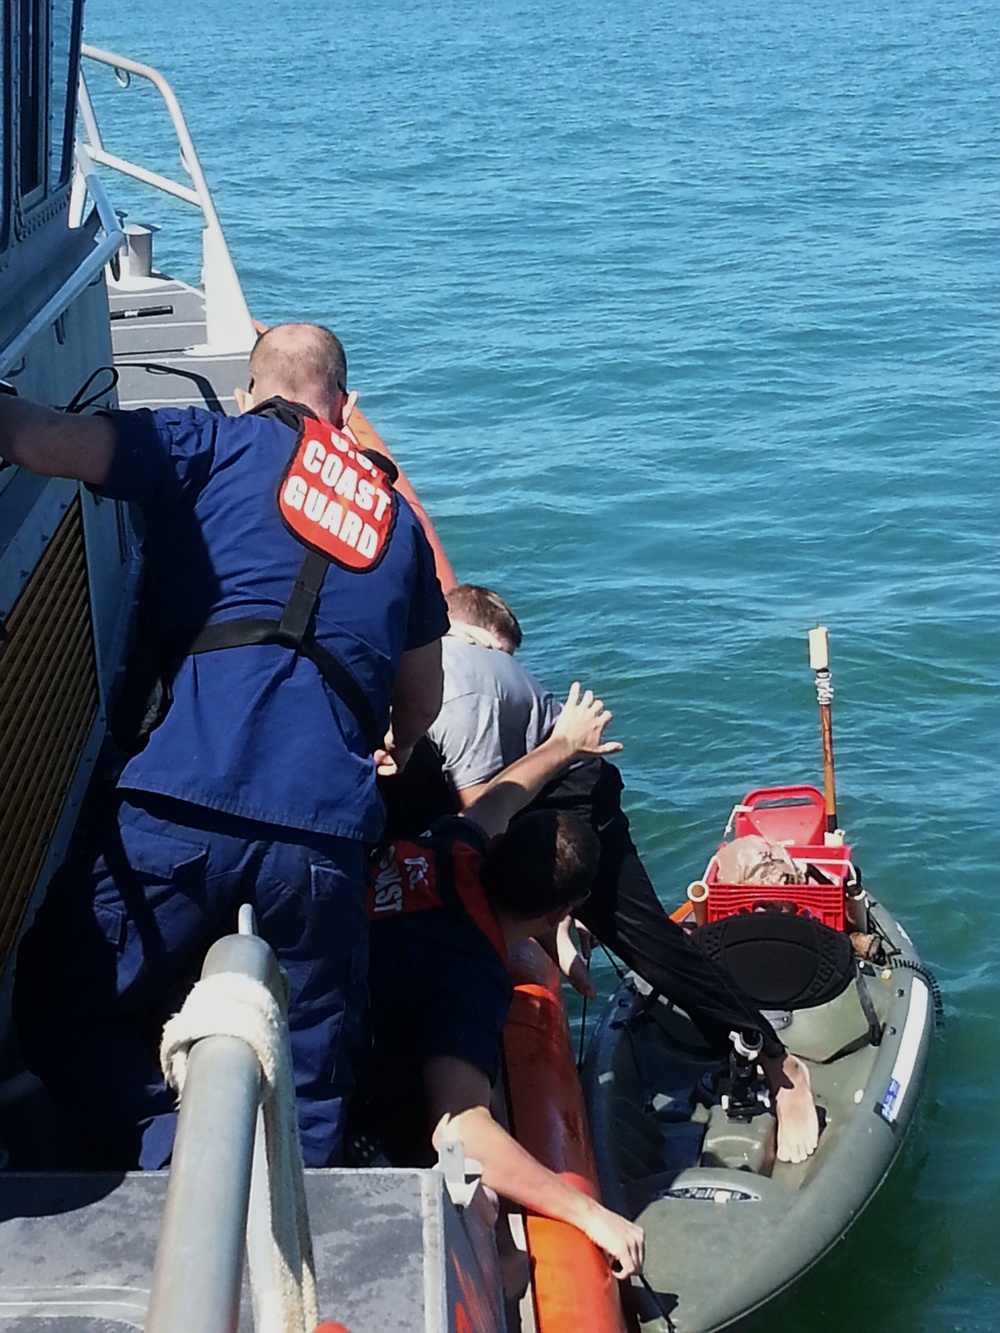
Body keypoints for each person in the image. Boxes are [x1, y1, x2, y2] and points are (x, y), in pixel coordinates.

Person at [1, 323, 449, 1169]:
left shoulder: (209, 439)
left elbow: (35, 439)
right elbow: (420, 706)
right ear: (344, 410)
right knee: (309, 1079)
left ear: (250, 392)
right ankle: (280, 1239)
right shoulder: (397, 523)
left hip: (176, 800)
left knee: (62, 1001)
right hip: (322, 834)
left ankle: (172, 1156)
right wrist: (380, 739)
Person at [383, 584, 820, 1165]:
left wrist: (550, 918)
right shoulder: (395, 682)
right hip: (500, 785)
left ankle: (779, 1066)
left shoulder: (462, 697)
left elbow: (481, 828)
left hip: (561, 791)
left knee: (648, 945)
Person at [359, 682, 645, 1279]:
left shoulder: (448, 844)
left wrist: (565, 743)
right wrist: (590, 1214)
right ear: (558, 915)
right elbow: (457, 1125)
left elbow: (502, 797)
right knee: (480, 1208)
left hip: (329, 970)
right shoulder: (470, 972)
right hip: (349, 1073)